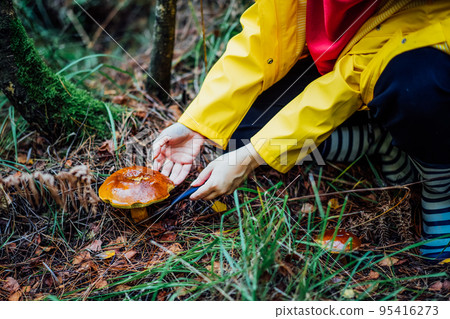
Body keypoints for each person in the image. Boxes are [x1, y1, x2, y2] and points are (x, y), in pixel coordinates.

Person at [152, 0, 450, 261]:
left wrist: (253, 156)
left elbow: (347, 83)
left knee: (418, 87)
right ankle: (380, 142)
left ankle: (439, 191)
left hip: (408, 57)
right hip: (324, 67)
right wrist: (197, 124)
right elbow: (261, 37)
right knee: (235, 133)